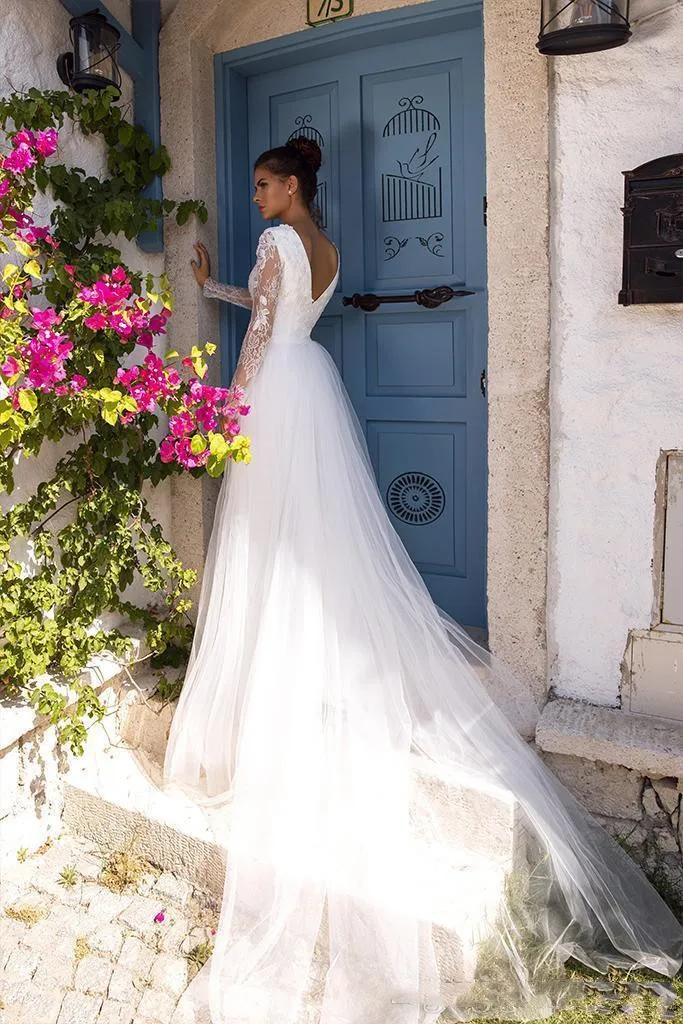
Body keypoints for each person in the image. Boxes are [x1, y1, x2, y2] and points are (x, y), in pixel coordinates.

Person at [161, 136, 683, 1024]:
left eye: (261, 185)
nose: (253, 197)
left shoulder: (278, 241)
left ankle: (271, 695)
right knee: (312, 545)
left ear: (291, 186)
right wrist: (211, 285)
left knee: (270, 541)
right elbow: (272, 307)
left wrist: (223, 415)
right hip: (313, 385)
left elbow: (258, 333)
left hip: (276, 395)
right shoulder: (325, 250)